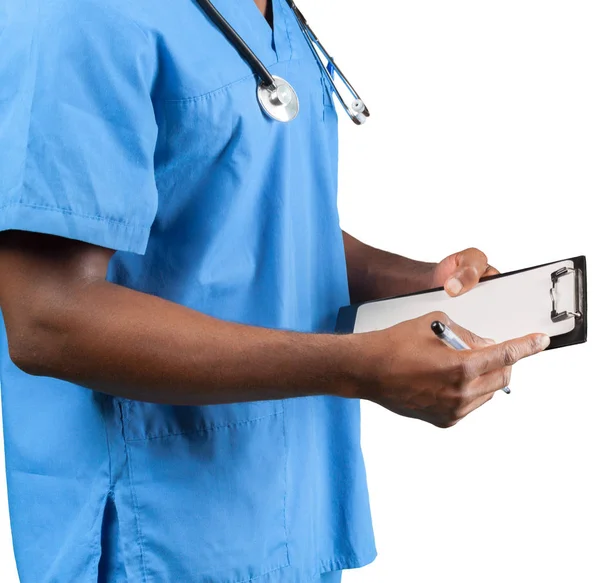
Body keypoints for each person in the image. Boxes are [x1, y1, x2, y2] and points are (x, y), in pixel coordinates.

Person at [0, 0, 550, 581]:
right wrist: (355, 366)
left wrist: (427, 286)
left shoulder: (271, 12)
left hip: (291, 511)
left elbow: (253, 217)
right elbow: (49, 320)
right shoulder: (73, 14)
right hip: (160, 533)